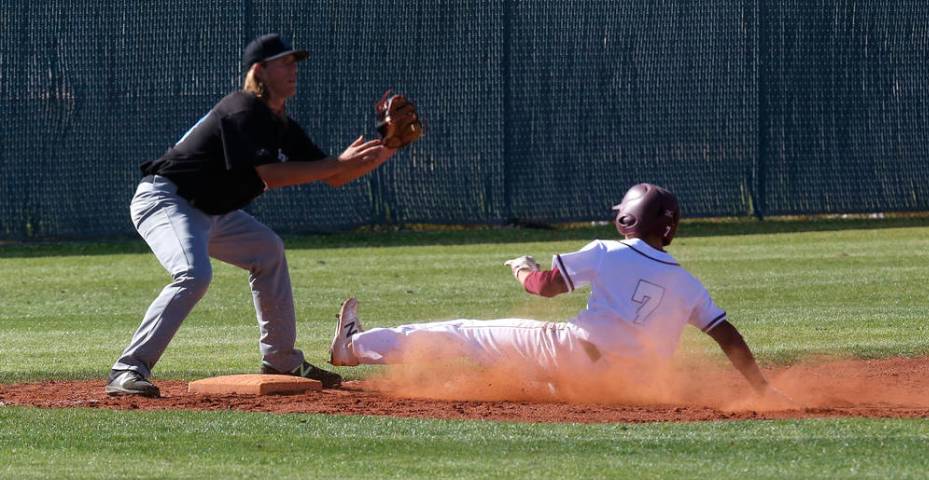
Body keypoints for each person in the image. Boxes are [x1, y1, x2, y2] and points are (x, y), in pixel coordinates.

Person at [106, 33, 400, 397]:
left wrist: (387, 148)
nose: (294, 68)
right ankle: (127, 369)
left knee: (267, 250)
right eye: (285, 62)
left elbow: (335, 175)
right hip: (168, 200)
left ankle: (281, 360)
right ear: (260, 71)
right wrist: (334, 164)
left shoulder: (280, 124)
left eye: (295, 62)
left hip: (213, 210)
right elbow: (269, 174)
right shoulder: (243, 110)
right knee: (194, 274)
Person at [329, 183, 789, 402]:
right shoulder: (687, 282)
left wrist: (523, 271)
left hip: (572, 353)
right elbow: (727, 335)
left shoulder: (609, 250)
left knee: (462, 332)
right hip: (625, 387)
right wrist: (762, 389)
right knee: (531, 379)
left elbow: (545, 288)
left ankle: (352, 348)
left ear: (628, 219)